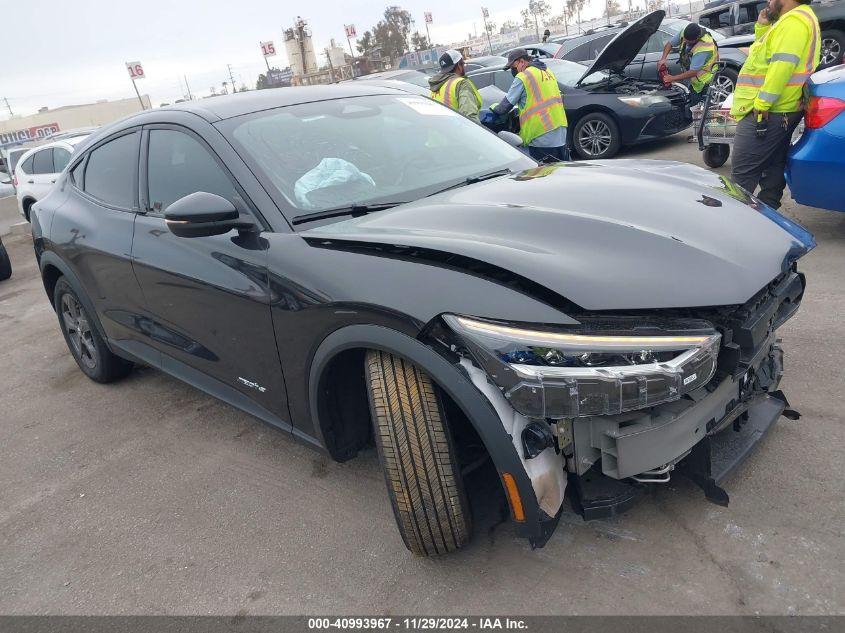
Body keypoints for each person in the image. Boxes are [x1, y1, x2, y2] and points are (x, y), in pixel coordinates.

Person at [729, 0, 820, 209]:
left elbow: (782, 65)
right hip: (780, 110)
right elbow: (763, 56)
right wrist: (762, 26)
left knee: (741, 177)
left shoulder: (794, 22)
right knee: (772, 167)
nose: (769, 1)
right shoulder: (793, 20)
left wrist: (762, 103)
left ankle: (731, 228)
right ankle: (767, 219)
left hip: (767, 112)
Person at [489, 48, 569, 162]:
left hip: (541, 136)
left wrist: (493, 107)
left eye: (513, 67)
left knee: (544, 176)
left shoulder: (524, 76)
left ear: (522, 61)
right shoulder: (546, 71)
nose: (513, 71)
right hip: (560, 131)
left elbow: (503, 108)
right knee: (561, 174)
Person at [658, 23, 719, 111]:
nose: (685, 42)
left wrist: (672, 78)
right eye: (685, 40)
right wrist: (663, 59)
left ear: (696, 39)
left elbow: (693, 72)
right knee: (690, 102)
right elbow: (669, 44)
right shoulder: (685, 32)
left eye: (688, 42)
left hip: (705, 80)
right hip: (693, 78)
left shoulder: (704, 47)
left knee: (700, 109)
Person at [429, 49, 482, 123]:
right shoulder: (461, 84)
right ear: (458, 66)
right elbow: (470, 118)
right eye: (463, 63)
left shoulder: (435, 88)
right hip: (457, 132)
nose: (464, 66)